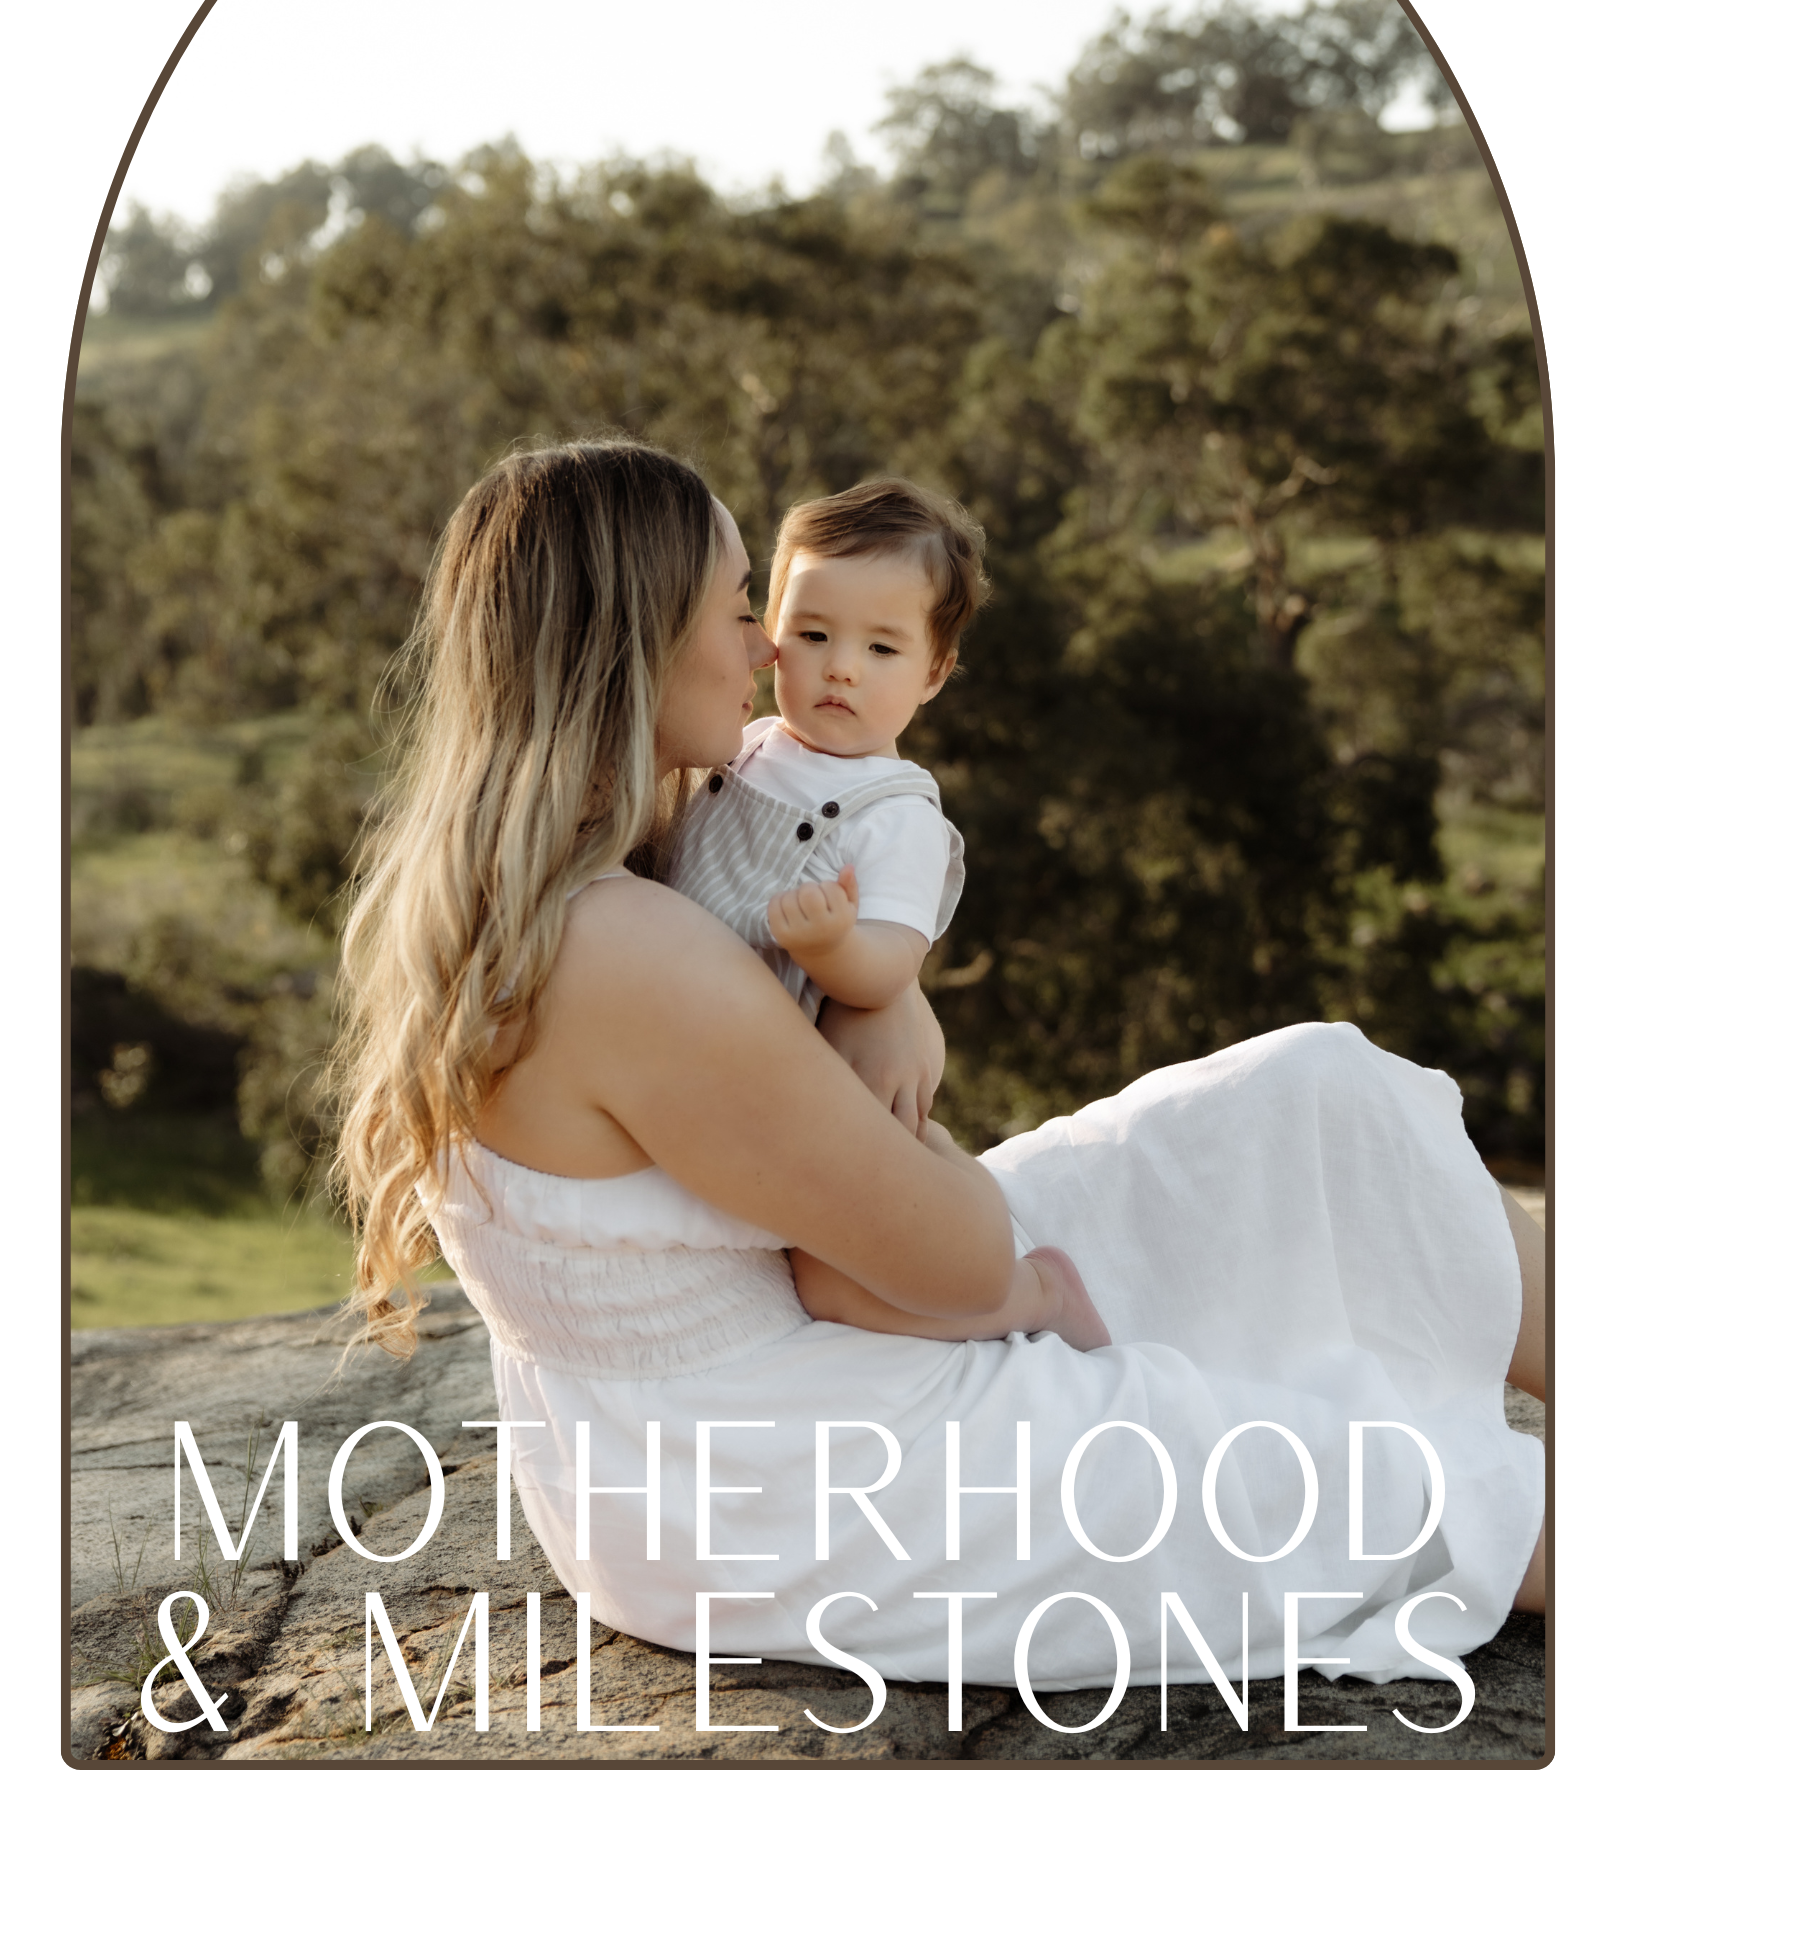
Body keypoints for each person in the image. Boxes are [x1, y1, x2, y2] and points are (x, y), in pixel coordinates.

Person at [335, 438, 1544, 1713]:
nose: (764, 651)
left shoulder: (535, 887)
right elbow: (963, 1264)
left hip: (742, 1401)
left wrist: (890, 988)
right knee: (1392, 1484)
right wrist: (899, 1054)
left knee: (1312, 1102)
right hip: (808, 1474)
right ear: (631, 642)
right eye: (741, 607)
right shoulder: (627, 957)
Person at [666, 474, 1110, 1354]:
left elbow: (891, 966)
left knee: (836, 1282)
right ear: (770, 638)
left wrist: (834, 945)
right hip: (736, 1062)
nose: (841, 667)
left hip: (825, 1090)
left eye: (881, 649)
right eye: (815, 634)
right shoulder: (745, 745)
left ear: (934, 673)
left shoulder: (896, 814)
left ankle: (1037, 1293)